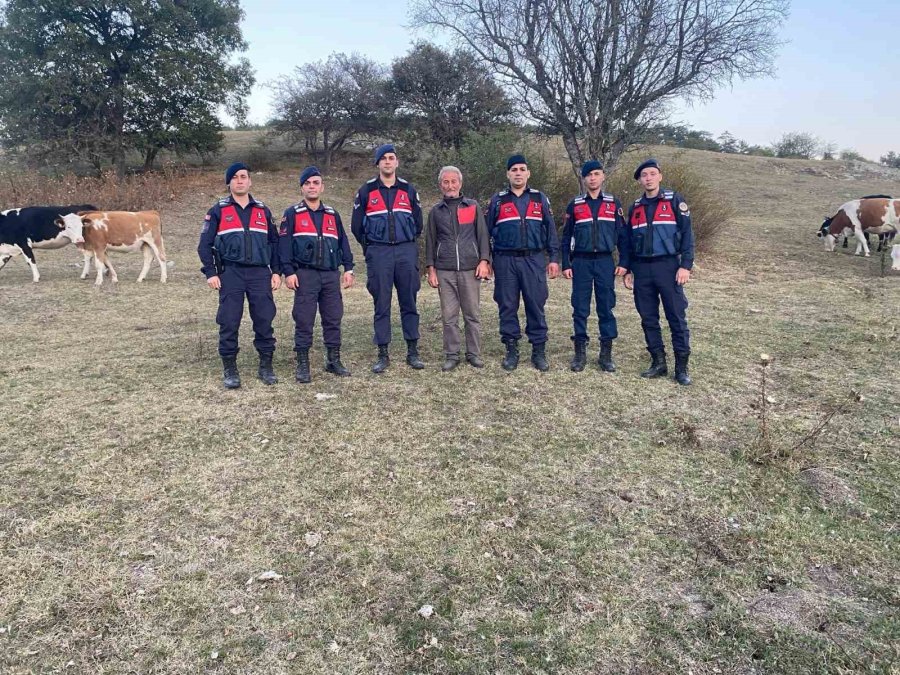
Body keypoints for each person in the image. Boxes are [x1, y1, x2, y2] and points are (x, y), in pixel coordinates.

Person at [198, 162, 281, 389]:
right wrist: (211, 272)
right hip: (230, 273)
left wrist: (276, 271)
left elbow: (274, 242)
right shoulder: (218, 210)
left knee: (264, 319)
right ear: (229, 183)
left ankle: (266, 366)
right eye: (235, 177)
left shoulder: (263, 210)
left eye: (244, 176)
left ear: (250, 181)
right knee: (229, 320)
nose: (240, 180)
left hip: (259, 273)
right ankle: (230, 369)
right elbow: (204, 246)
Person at [351, 143, 425, 373]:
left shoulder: (408, 190)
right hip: (379, 253)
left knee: (409, 302)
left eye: (391, 158)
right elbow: (356, 227)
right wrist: (372, 247)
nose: (387, 161)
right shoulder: (366, 191)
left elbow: (419, 223)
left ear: (397, 162)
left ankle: (412, 351)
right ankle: (383, 353)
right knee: (381, 304)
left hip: (405, 251)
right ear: (378, 164)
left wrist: (407, 244)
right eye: (383, 158)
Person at [278, 166, 355, 383]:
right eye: (308, 183)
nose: (312, 187)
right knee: (304, 319)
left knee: (333, 318)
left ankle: (333, 360)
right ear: (302, 187)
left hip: (330, 275)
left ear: (322, 187)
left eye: (316, 183)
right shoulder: (292, 214)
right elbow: (283, 246)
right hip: (305, 275)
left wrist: (348, 268)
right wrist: (288, 272)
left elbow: (343, 243)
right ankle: (303, 364)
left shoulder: (332, 214)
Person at [622, 158, 694, 385]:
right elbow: (630, 242)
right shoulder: (635, 207)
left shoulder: (674, 200)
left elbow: (688, 235)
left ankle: (681, 368)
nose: (649, 178)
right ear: (640, 180)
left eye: (652, 174)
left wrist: (686, 265)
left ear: (660, 176)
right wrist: (629, 269)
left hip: (669, 267)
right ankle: (658, 362)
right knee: (648, 317)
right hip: (642, 269)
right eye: (644, 175)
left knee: (676, 317)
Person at [486, 154, 560, 371]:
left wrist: (553, 258)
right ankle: (511, 350)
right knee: (507, 305)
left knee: (535, 304)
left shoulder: (539, 198)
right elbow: (485, 233)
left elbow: (551, 230)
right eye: (514, 169)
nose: (518, 173)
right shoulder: (497, 200)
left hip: (533, 259)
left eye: (522, 169)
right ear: (508, 174)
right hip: (505, 260)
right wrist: (486, 260)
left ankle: (538, 351)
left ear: (528, 173)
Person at [561, 160, 628, 372]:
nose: (593, 178)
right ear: (584, 178)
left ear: (603, 177)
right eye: (589, 175)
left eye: (596, 174)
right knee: (580, 308)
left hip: (605, 262)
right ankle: (580, 353)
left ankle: (605, 354)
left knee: (606, 306)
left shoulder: (613, 204)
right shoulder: (575, 204)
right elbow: (566, 237)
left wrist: (624, 262)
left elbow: (623, 236)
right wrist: (565, 262)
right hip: (580, 261)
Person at [424, 166, 492, 371]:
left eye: (454, 181)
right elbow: (430, 241)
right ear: (440, 185)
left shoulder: (472, 206)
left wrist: (484, 261)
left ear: (460, 184)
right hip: (444, 270)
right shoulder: (436, 211)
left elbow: (482, 236)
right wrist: (431, 268)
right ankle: (452, 355)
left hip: (470, 269)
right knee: (449, 316)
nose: (450, 185)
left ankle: (474, 353)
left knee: (472, 314)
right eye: (446, 182)